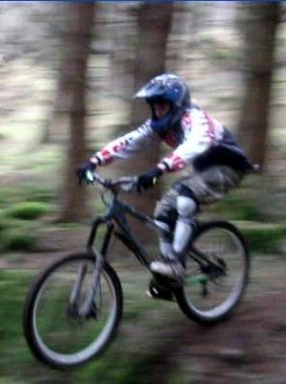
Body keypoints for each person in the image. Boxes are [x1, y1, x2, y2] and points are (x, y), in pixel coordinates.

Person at [76, 73, 254, 281]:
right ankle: (167, 274)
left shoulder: (195, 118)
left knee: (186, 198)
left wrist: (159, 169)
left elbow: (195, 144)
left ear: (176, 104)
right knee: (162, 215)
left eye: (162, 104)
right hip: (203, 172)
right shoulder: (158, 125)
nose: (157, 110)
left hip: (229, 168)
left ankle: (175, 265)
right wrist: (94, 162)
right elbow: (129, 141)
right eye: (154, 105)